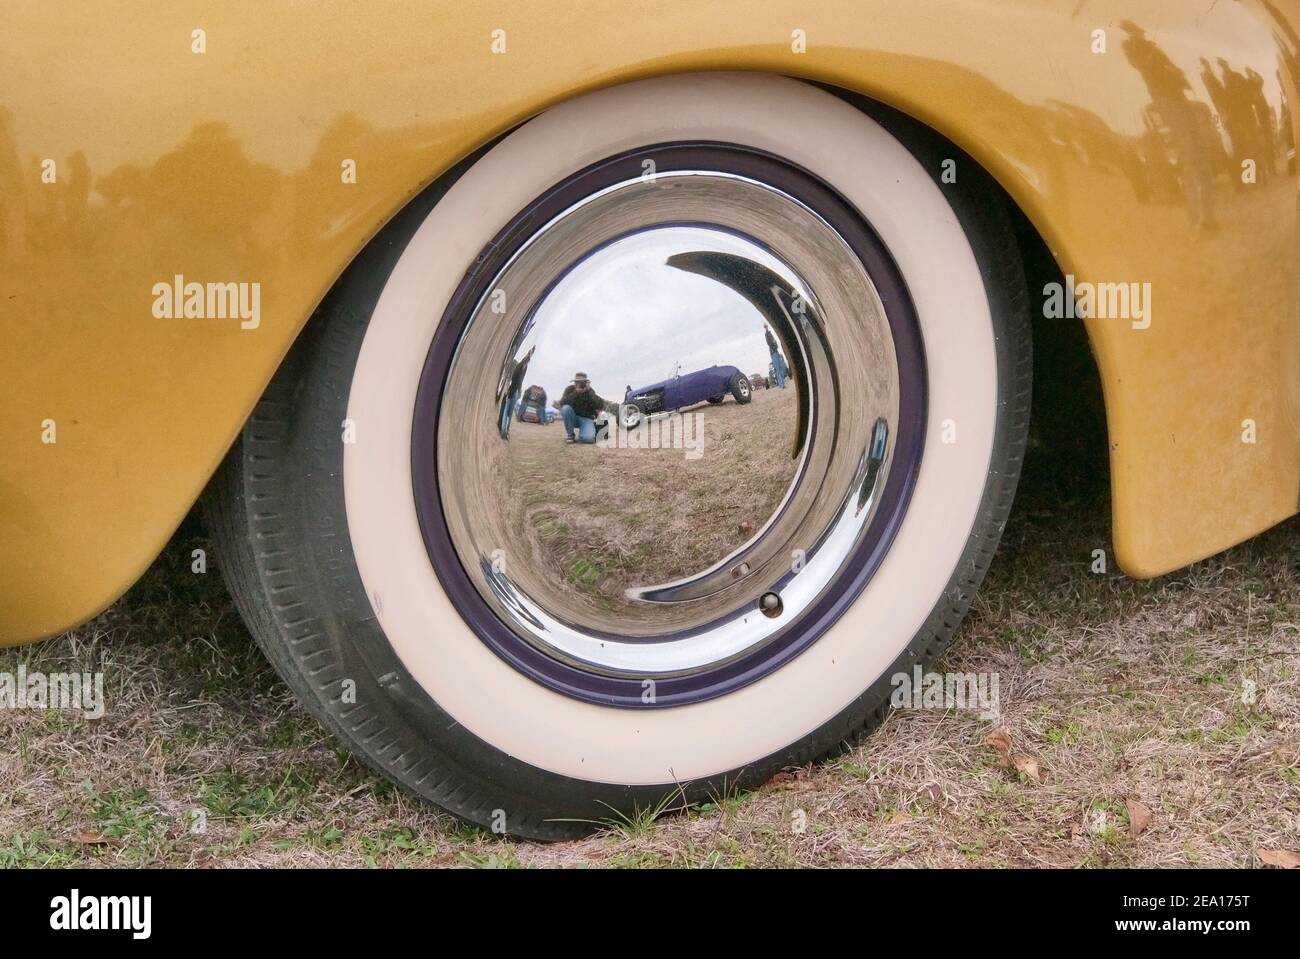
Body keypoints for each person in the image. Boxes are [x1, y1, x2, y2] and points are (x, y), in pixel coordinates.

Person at [557, 372, 609, 444]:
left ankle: (586, 431)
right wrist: (576, 392)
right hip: (573, 418)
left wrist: (589, 391)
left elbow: (600, 405)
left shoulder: (590, 391)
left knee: (588, 439)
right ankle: (570, 435)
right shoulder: (569, 389)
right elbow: (562, 403)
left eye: (582, 382)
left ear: (586, 382)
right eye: (577, 382)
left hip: (586, 419)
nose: (579, 384)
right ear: (574, 382)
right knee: (566, 408)